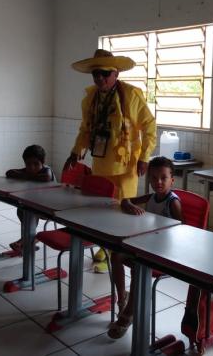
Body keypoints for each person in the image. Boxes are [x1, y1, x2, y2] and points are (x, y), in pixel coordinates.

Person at [65, 49, 157, 273]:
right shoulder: (90, 98)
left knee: (124, 210)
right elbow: (86, 129)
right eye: (95, 74)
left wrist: (145, 157)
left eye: (104, 74)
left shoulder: (132, 95)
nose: (99, 79)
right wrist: (76, 152)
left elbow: (150, 128)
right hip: (101, 161)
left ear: (115, 73)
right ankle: (103, 249)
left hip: (126, 165)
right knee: (101, 208)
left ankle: (117, 254)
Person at [107, 156, 182, 339]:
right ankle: (122, 298)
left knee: (138, 267)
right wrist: (130, 206)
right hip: (145, 244)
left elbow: (184, 231)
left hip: (164, 251)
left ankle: (129, 314)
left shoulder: (173, 202)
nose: (158, 182)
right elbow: (126, 200)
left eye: (163, 178)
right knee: (116, 256)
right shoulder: (151, 197)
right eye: (154, 178)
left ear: (172, 180)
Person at [5, 144, 55, 252]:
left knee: (30, 212)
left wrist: (25, 175)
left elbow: (47, 177)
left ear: (43, 162)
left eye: (36, 164)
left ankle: (26, 240)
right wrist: (25, 173)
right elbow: (9, 172)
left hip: (50, 208)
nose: (32, 168)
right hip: (34, 205)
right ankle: (29, 239)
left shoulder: (46, 171)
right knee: (22, 210)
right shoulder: (29, 171)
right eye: (28, 164)